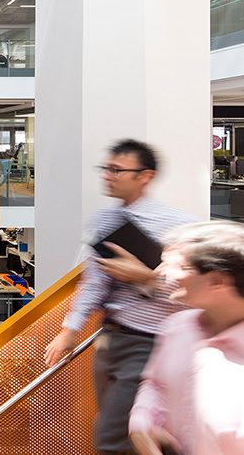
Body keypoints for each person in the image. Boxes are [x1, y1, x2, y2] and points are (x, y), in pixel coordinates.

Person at [43, 139, 196, 455]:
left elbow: (194, 293)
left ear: (145, 176)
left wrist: (148, 279)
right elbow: (94, 284)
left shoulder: (178, 226)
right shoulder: (104, 221)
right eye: (106, 169)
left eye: (117, 170)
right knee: (121, 428)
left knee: (113, 436)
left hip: (151, 340)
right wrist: (68, 331)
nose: (107, 176)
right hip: (111, 337)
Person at [127, 221, 244, 455]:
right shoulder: (178, 328)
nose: (161, 272)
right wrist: (142, 425)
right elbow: (156, 384)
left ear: (217, 281)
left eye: (180, 266)